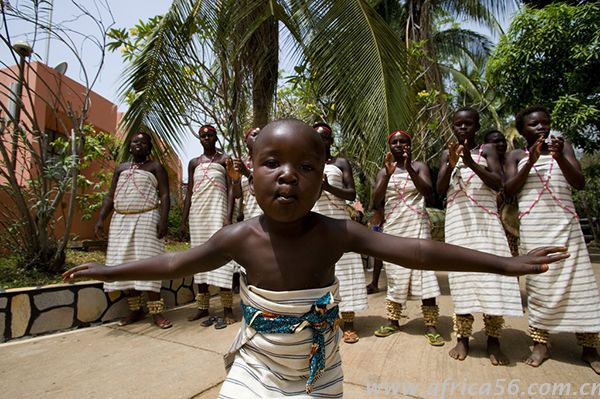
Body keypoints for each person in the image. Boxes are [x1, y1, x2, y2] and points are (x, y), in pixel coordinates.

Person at [65, 119, 567, 398]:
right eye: (272, 164)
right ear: (250, 173)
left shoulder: (335, 232)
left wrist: (506, 263)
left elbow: (416, 250)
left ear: (322, 174)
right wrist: (108, 269)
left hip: (318, 370)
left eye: (305, 166)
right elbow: (174, 265)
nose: (288, 176)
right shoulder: (238, 237)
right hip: (255, 369)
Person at [504, 105, 600, 373]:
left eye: (545, 123)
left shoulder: (563, 148)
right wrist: (531, 162)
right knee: (541, 284)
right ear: (522, 130)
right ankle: (540, 343)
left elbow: (579, 182)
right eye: (534, 124)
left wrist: (558, 158)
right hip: (535, 228)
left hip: (566, 224)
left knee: (579, 286)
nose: (541, 128)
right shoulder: (515, 156)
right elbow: (509, 190)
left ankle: (590, 346)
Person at [436, 107, 524, 365]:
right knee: (462, 278)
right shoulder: (447, 153)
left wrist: (470, 162)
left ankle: (493, 340)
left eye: (468, 124)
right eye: (458, 124)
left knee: (491, 278)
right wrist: (450, 164)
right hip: (457, 222)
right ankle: (462, 338)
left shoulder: (487, 151)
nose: (462, 128)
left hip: (485, 222)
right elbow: (439, 190)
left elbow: (499, 182)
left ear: (476, 126)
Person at [371, 130, 443, 346]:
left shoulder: (419, 166)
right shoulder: (384, 170)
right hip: (394, 225)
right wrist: (387, 174)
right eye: (395, 142)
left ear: (410, 145)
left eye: (404, 141)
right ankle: (393, 322)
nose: (400, 145)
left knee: (424, 273)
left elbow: (428, 192)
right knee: (394, 273)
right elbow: (376, 200)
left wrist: (410, 167)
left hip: (417, 224)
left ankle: (431, 325)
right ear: (390, 146)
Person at [95, 132, 172, 329]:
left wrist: (163, 221)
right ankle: (136, 310)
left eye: (144, 143)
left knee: (149, 265)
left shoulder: (155, 167)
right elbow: (110, 196)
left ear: (149, 148)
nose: (139, 145)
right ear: (130, 147)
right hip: (120, 221)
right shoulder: (120, 168)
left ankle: (157, 312)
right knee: (125, 264)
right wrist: (101, 218)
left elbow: (164, 195)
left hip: (147, 219)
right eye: (135, 142)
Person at [311, 122, 368, 344]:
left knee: (346, 270)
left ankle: (350, 323)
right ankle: (325, 324)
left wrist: (327, 187)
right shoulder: (305, 164)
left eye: (325, 137)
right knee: (319, 273)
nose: (321, 140)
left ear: (331, 140)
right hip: (315, 223)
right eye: (316, 137)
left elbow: (350, 192)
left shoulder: (341, 162)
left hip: (339, 223)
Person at [179, 124, 235, 328]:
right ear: (199, 139)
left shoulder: (224, 159)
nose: (206, 138)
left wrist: (228, 217)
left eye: (210, 135)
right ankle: (202, 307)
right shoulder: (193, 163)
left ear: (215, 137)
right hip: (198, 216)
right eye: (203, 136)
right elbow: (189, 193)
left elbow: (230, 189)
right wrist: (183, 221)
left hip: (217, 212)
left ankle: (227, 308)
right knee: (199, 259)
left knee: (223, 259)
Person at [483, 129, 519, 256]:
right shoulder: (484, 164)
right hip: (493, 215)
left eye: (502, 141)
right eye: (495, 142)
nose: (501, 144)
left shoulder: (514, 160)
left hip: (514, 213)